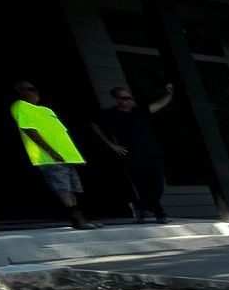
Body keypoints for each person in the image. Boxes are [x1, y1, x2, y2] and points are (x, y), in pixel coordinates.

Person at [9, 80, 92, 229]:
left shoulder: (46, 110)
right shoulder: (21, 106)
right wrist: (51, 152)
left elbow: (61, 134)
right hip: (49, 157)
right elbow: (29, 130)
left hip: (67, 157)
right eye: (27, 89)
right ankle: (78, 220)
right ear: (20, 92)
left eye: (33, 88)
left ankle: (81, 218)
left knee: (73, 188)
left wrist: (74, 155)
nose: (33, 92)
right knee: (63, 188)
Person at [92, 82, 175, 223]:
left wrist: (170, 93)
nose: (129, 100)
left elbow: (159, 104)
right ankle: (158, 213)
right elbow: (94, 125)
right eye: (125, 98)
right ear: (117, 99)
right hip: (131, 155)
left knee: (158, 184)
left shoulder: (139, 111)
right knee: (141, 184)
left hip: (151, 153)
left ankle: (142, 207)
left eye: (130, 98)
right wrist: (111, 144)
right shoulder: (110, 114)